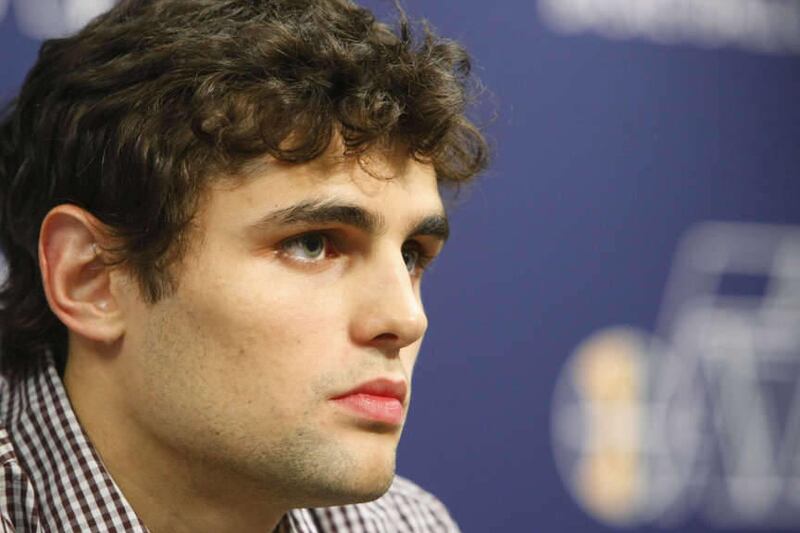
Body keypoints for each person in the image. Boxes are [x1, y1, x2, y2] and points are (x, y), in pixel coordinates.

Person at [0, 0, 487, 531]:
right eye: (313, 244)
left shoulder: (410, 525)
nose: (405, 319)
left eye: (412, 254)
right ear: (90, 278)